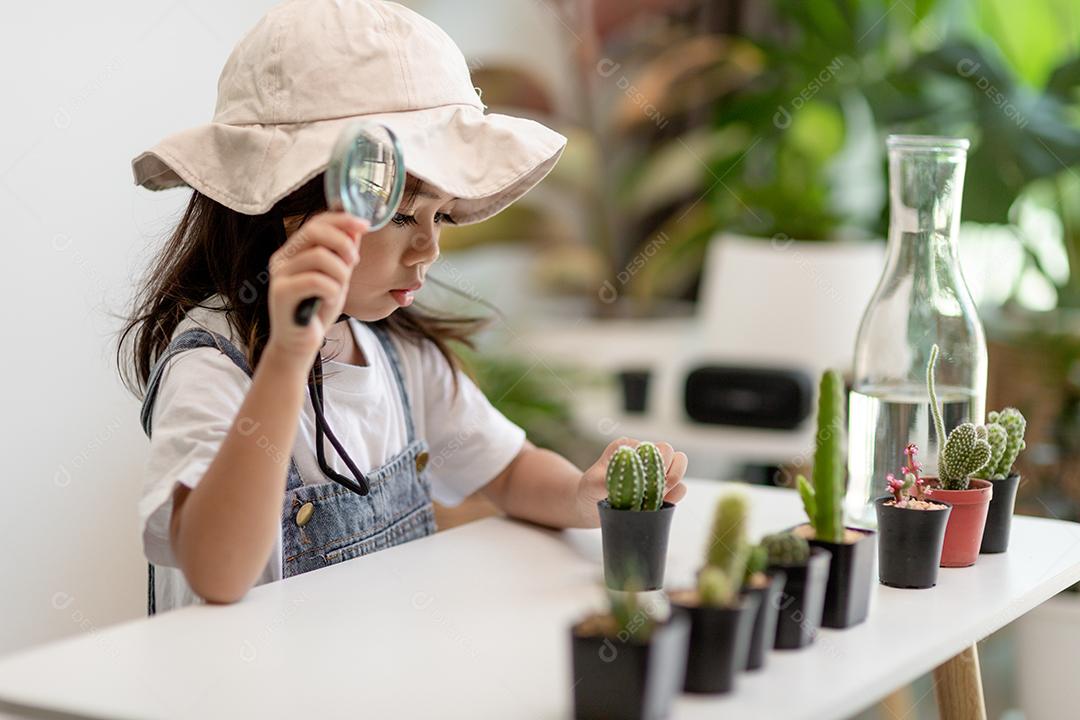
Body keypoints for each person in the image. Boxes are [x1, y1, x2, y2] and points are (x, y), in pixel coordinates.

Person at [119, 0, 688, 614]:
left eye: (440, 214)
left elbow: (508, 472)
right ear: (286, 213)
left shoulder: (398, 354)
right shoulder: (212, 367)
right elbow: (218, 572)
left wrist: (582, 496)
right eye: (396, 213)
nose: (430, 248)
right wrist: (287, 358)